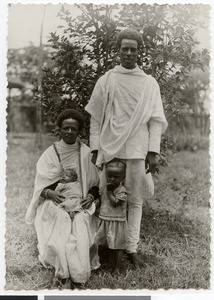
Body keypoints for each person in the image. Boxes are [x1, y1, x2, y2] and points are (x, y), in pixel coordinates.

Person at [85, 28, 168, 267]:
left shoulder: (149, 83)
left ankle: (131, 249)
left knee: (135, 200)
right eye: (125, 48)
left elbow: (155, 120)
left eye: (133, 49)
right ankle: (105, 247)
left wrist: (153, 151)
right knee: (106, 196)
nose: (129, 53)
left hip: (137, 149)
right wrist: (94, 148)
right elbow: (96, 119)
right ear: (119, 50)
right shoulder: (107, 79)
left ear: (139, 51)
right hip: (110, 146)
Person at [25, 109, 100, 289]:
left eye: (73, 129)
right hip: (54, 202)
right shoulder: (49, 154)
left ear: (79, 131)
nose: (69, 132)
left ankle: (79, 273)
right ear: (59, 129)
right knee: (62, 219)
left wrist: (90, 196)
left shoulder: (87, 153)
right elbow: (40, 188)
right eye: (65, 128)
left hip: (79, 202)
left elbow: (96, 185)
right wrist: (49, 193)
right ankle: (63, 272)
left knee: (81, 221)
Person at [95, 158, 127, 273]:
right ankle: (97, 262)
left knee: (117, 245)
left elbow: (114, 203)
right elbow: (102, 199)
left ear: (123, 177)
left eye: (116, 176)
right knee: (99, 241)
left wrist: (109, 192)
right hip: (104, 218)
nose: (112, 179)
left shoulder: (121, 190)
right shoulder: (106, 187)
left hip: (116, 222)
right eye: (110, 176)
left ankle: (117, 267)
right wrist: (96, 204)